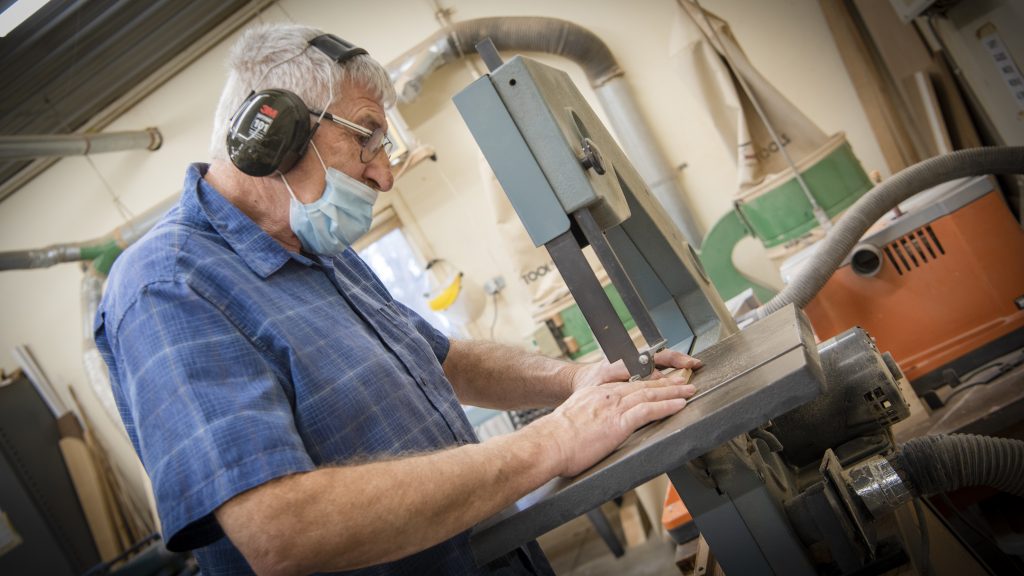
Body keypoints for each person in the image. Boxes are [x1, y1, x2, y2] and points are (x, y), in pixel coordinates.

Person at [94, 23, 701, 576]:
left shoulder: (317, 246)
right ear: (273, 130)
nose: (384, 176)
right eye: (369, 139)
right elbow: (281, 529)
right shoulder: (166, 287)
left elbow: (442, 359)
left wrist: (575, 381)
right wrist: (550, 442)